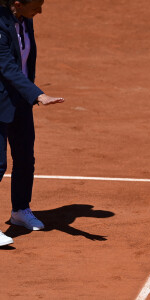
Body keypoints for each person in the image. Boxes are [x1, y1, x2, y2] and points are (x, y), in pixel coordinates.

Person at [0, 0, 64, 247]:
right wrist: (38, 94)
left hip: (21, 99)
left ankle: (20, 210)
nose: (40, 10)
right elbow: (7, 67)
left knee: (25, 158)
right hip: (3, 100)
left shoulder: (26, 19)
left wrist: (29, 95)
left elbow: (26, 61)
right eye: (36, 5)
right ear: (17, 3)